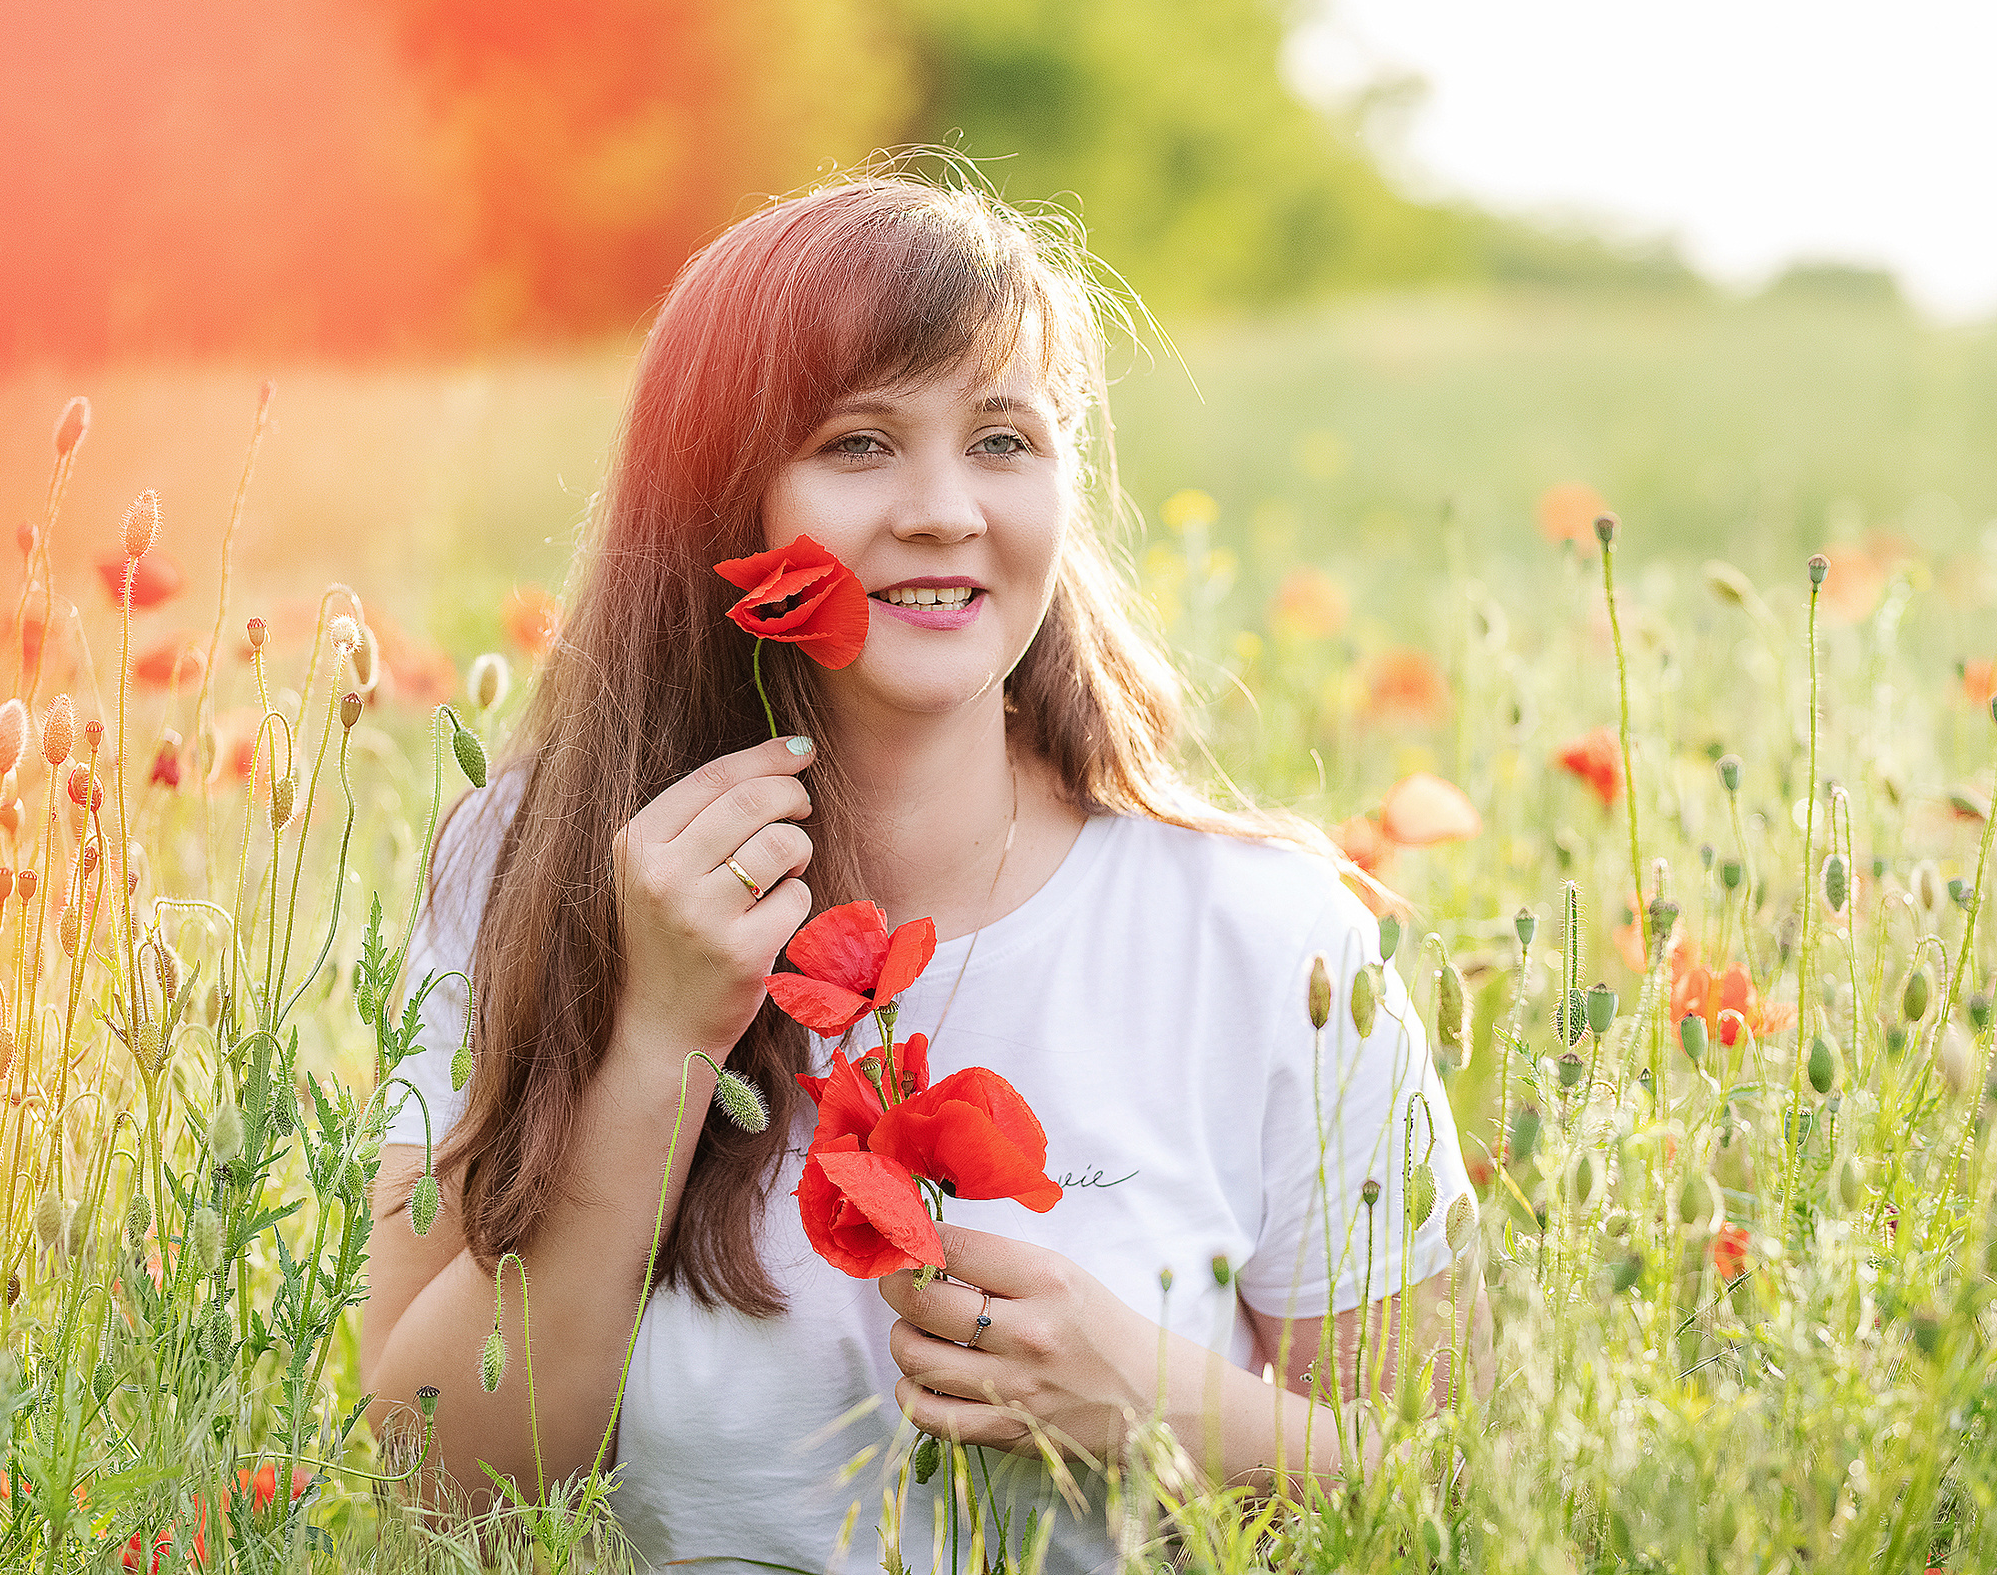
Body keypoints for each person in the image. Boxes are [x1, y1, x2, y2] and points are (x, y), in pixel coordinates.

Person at [361, 172, 1485, 1570]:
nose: (946, 510)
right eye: (860, 442)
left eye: (1004, 439)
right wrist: (658, 1040)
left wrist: (1162, 1406)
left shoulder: (1266, 935)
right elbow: (423, 1481)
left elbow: (1457, 1492)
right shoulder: (533, 865)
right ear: (724, 495)